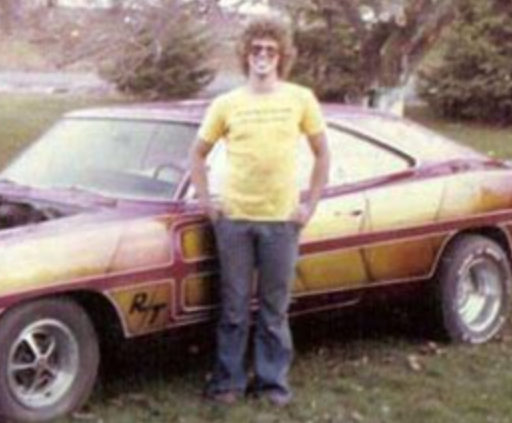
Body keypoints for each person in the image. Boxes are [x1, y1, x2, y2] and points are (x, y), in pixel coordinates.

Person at [189, 14, 330, 406]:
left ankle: (271, 384)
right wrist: (206, 201)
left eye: (270, 49)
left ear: (282, 55)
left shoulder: (300, 99)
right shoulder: (226, 104)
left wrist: (310, 204)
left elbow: (322, 153)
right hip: (234, 221)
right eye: (256, 49)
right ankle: (228, 383)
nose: (263, 56)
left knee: (273, 310)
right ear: (245, 55)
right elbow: (197, 154)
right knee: (234, 309)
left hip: (282, 222)